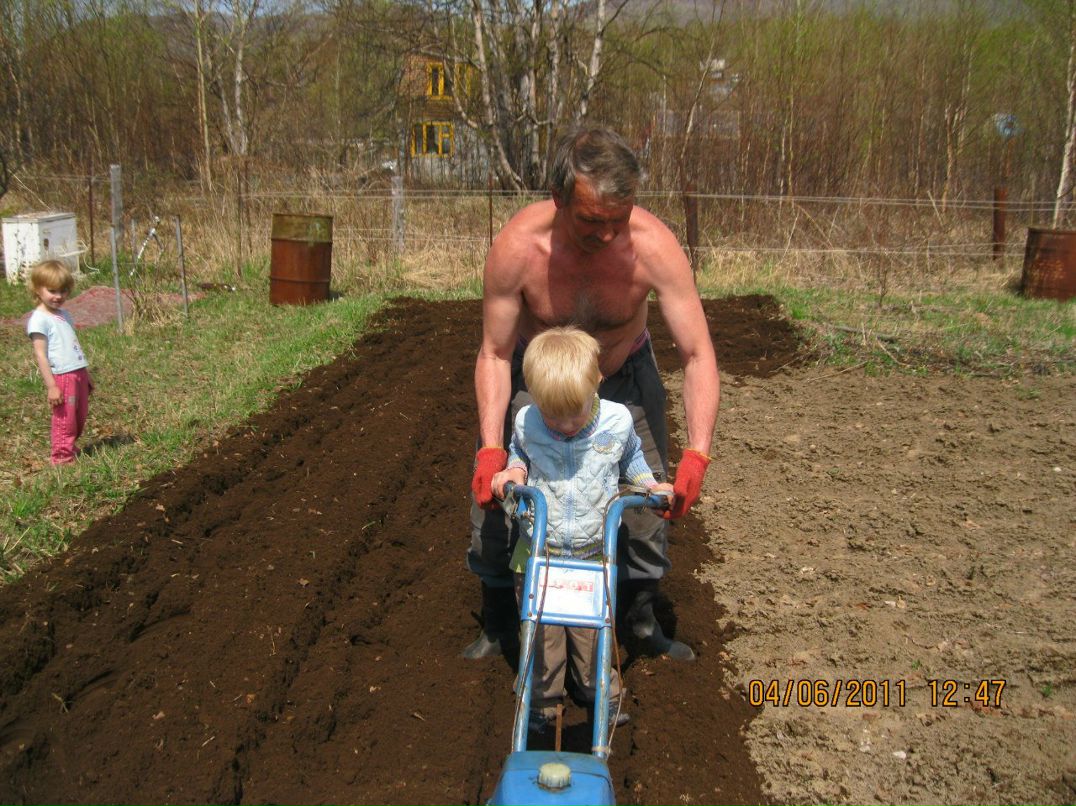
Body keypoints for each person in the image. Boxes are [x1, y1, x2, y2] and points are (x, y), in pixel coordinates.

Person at [465, 126, 720, 662]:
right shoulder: (518, 249)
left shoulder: (652, 248)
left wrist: (698, 450)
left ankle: (642, 620)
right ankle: (499, 620)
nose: (607, 236)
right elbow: (493, 352)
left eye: (617, 221)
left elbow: (696, 354)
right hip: (542, 384)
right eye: (590, 222)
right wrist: (492, 448)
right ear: (558, 199)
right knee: (500, 500)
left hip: (624, 376)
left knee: (648, 503)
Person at [490, 327, 674, 731]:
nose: (565, 424)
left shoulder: (617, 422)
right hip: (540, 550)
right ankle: (541, 700)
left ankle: (599, 693)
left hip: (593, 550)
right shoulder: (528, 422)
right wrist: (513, 470)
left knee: (594, 629)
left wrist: (651, 485)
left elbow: (633, 460)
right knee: (541, 631)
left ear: (597, 383)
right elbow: (521, 452)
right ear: (536, 399)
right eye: (553, 415)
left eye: (574, 413)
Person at [26, 260, 94, 465]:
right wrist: (52, 386)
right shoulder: (39, 319)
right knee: (65, 419)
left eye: (63, 291)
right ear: (37, 290)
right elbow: (41, 355)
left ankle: (70, 446)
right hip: (62, 376)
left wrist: (85, 375)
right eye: (52, 290)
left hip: (77, 373)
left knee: (79, 416)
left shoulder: (64, 315)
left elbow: (72, 346)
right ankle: (62, 457)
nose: (58, 296)